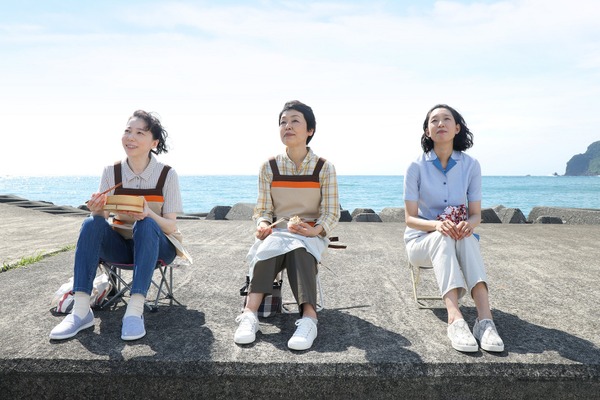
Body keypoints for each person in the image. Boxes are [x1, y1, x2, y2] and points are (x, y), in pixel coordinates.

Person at [50, 110, 188, 341]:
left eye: (140, 133)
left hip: (158, 247)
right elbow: (103, 216)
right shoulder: (111, 171)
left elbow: (171, 227)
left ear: (154, 143)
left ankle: (134, 311)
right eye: (127, 131)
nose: (130, 137)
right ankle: (81, 311)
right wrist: (96, 208)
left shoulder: (167, 174)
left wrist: (148, 214)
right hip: (121, 247)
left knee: (146, 224)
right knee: (91, 222)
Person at [234, 100, 340, 351]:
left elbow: (331, 212)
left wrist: (315, 230)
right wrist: (263, 224)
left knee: (299, 249)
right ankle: (249, 315)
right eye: (283, 122)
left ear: (310, 130)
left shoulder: (324, 168)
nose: (287, 126)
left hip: (310, 233)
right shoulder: (269, 167)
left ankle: (309, 319)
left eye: (295, 121)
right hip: (278, 231)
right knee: (269, 246)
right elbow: (263, 210)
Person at [403, 104, 504, 353]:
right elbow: (410, 219)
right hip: (421, 242)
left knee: (469, 238)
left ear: (457, 128)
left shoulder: (471, 165)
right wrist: (438, 225)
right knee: (442, 237)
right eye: (434, 120)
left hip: (459, 240)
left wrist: (468, 225)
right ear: (427, 131)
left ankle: (485, 320)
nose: (440, 124)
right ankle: (455, 319)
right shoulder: (415, 167)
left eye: (446, 119)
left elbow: (476, 214)